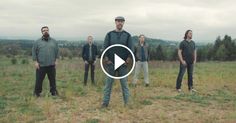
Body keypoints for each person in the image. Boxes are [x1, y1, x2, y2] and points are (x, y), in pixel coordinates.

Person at [102, 16, 133, 107]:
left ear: (123, 23)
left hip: (122, 65)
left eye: (121, 21)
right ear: (115, 22)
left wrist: (127, 60)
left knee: (124, 85)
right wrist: (107, 60)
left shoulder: (127, 35)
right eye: (118, 21)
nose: (120, 23)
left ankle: (127, 104)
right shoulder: (109, 34)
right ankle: (105, 103)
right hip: (111, 64)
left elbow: (130, 49)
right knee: (108, 85)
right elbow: (105, 48)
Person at [32, 26, 59, 97]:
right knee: (39, 80)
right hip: (41, 65)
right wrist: (35, 62)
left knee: (52, 80)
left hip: (51, 65)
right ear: (42, 32)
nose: (45, 31)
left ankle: (54, 92)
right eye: (44, 30)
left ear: (48, 31)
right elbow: (34, 52)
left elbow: (57, 51)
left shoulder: (54, 41)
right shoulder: (37, 42)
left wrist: (56, 60)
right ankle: (37, 93)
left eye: (47, 30)